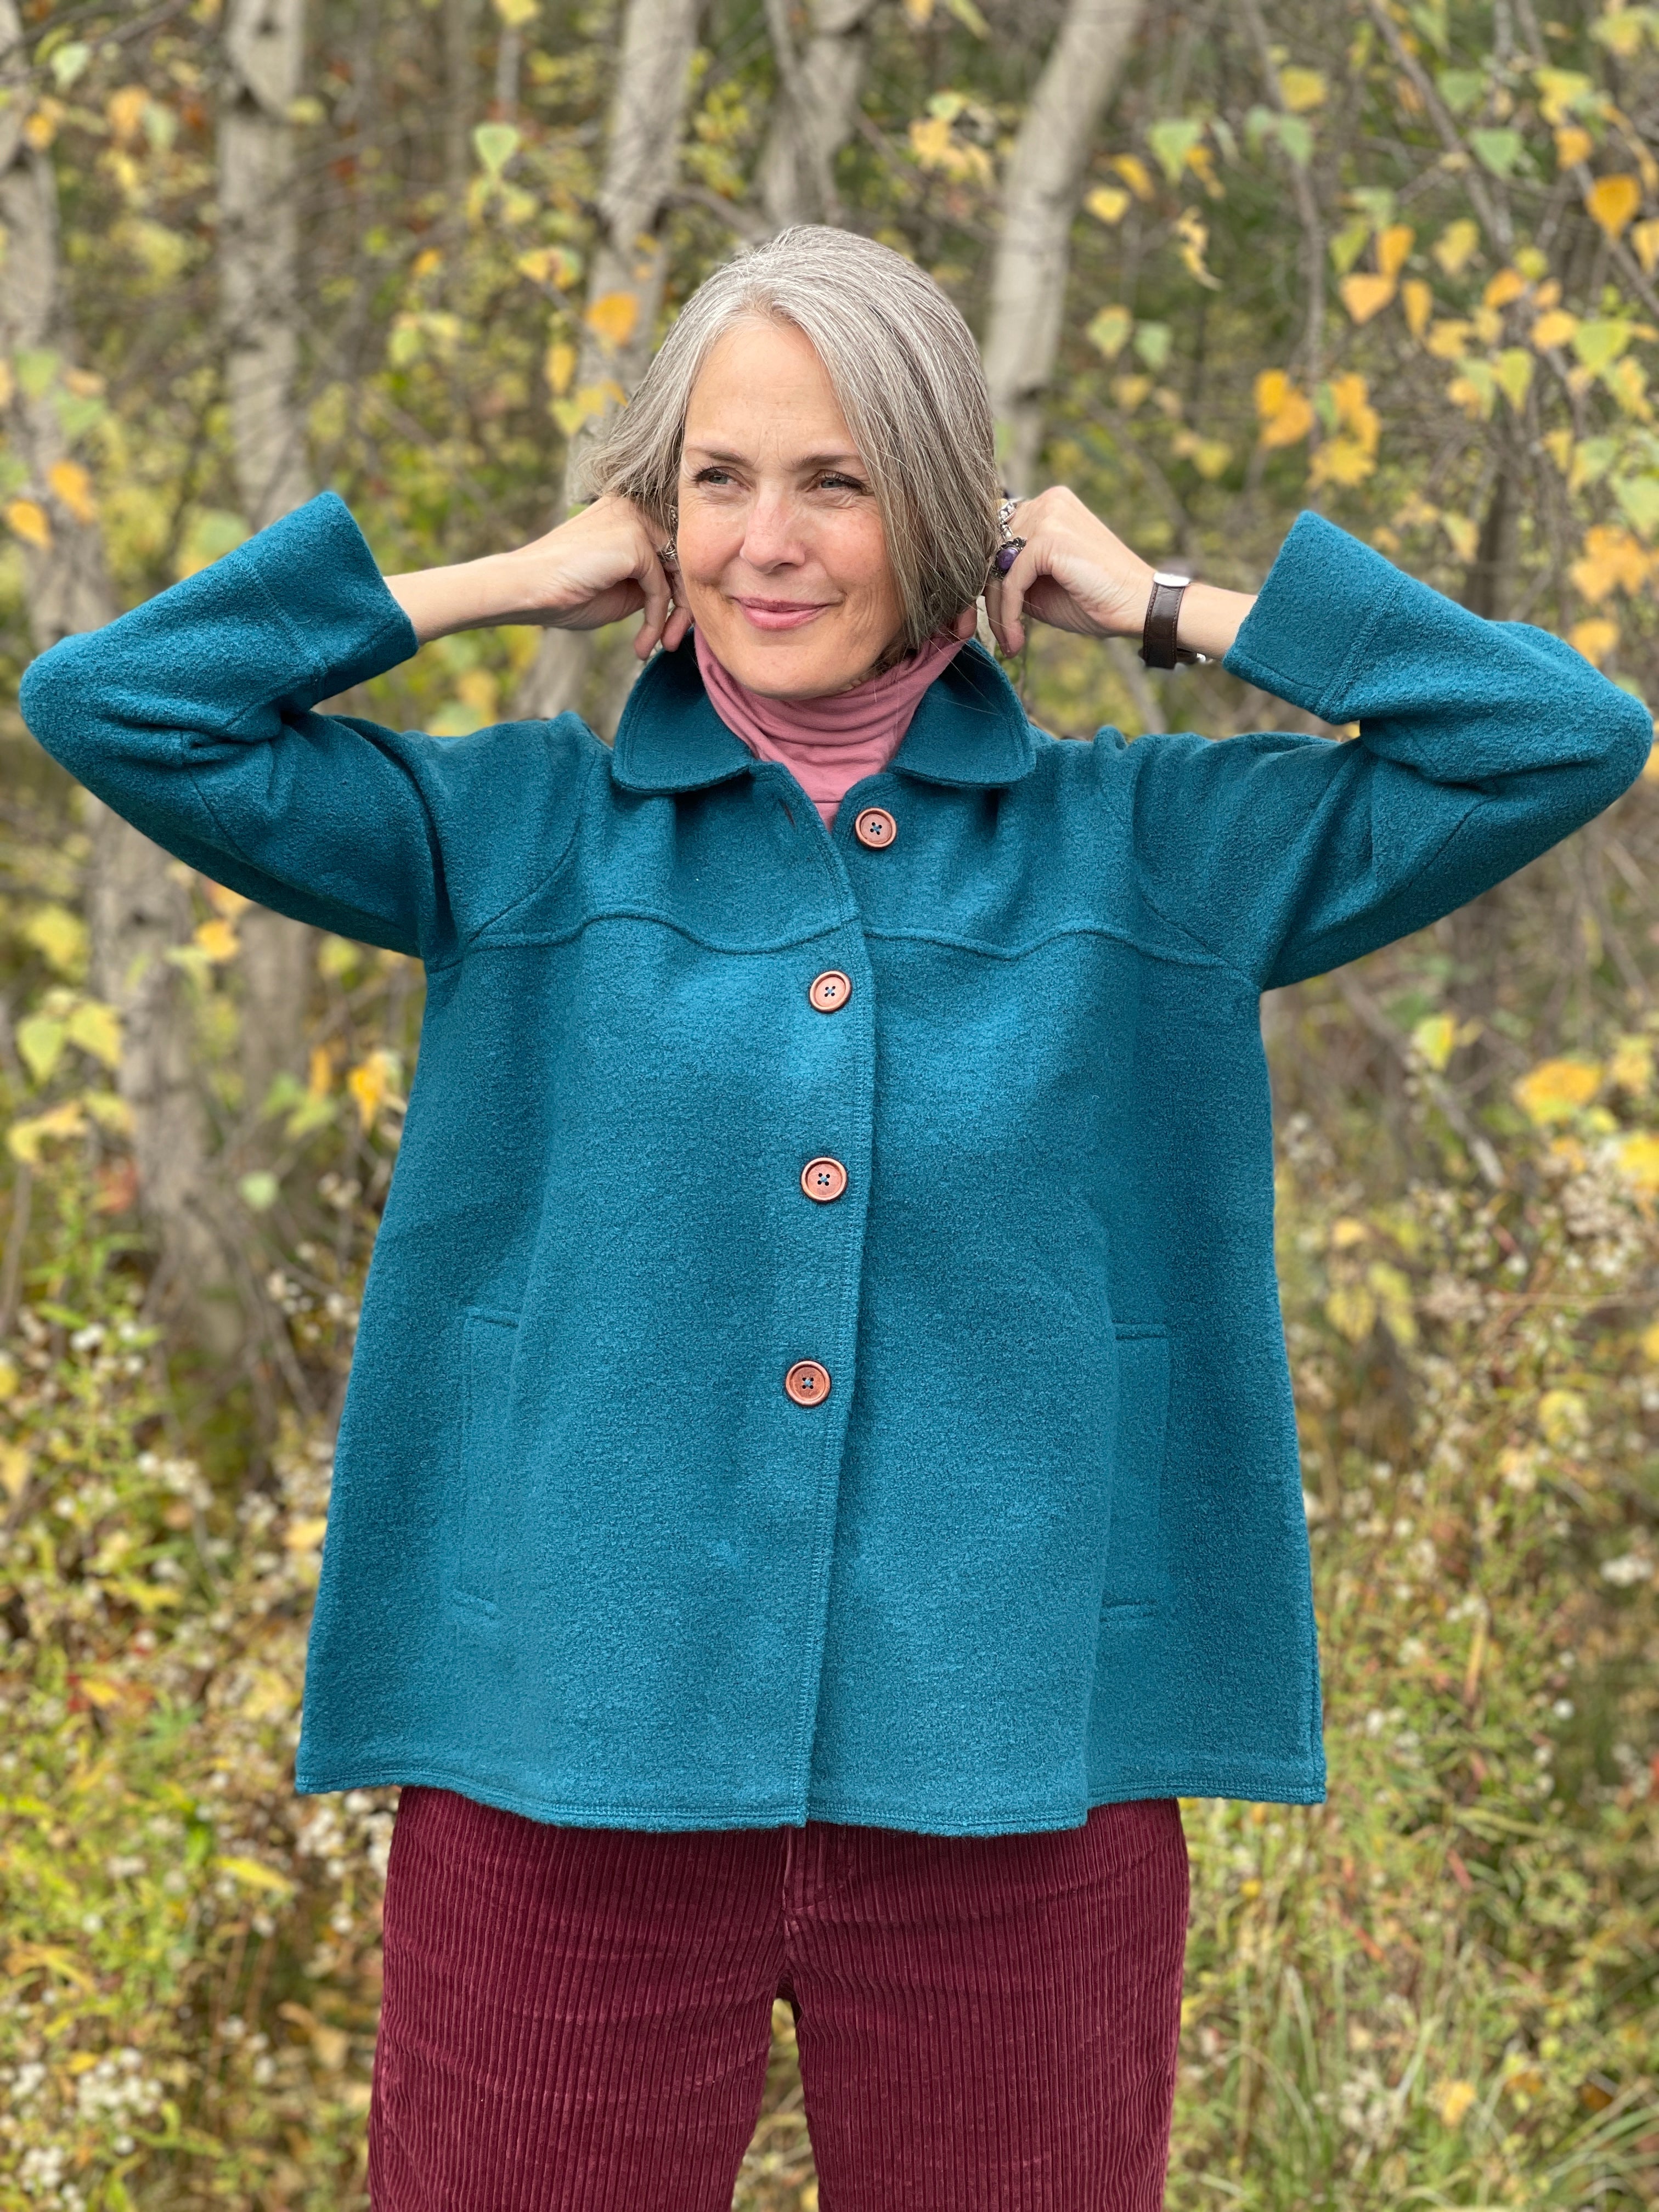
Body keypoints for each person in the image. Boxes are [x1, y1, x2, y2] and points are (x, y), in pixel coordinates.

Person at [20, 225, 1648, 2211]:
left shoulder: (1153, 851)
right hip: (563, 1781)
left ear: (951, 513)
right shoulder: (514, 831)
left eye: (840, 480)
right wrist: (508, 582)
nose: (766, 543)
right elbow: (118, 703)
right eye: (720, 480)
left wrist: (1173, 606)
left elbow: (1560, 735)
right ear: (656, 508)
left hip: (1021, 1800)